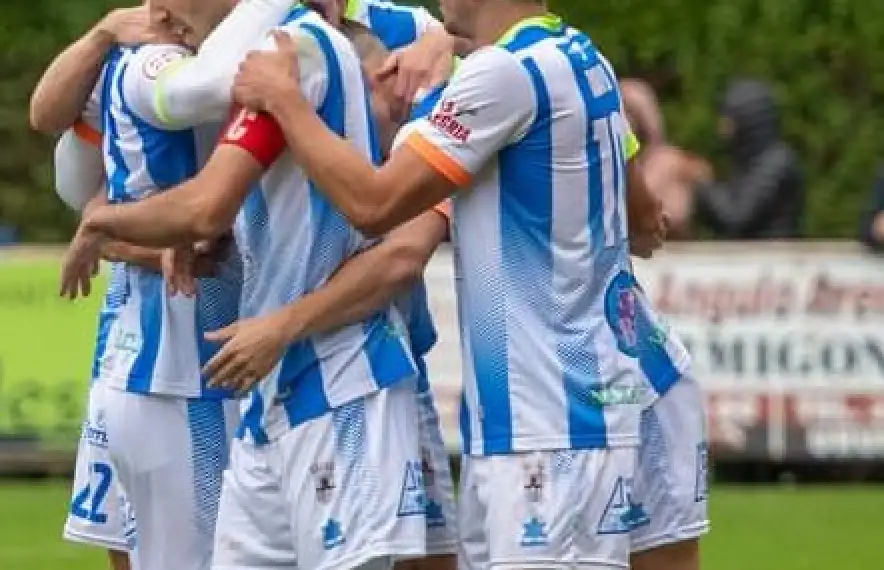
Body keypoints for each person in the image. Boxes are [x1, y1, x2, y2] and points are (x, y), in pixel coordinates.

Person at [215, 0, 667, 567]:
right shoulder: (580, 54)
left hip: (547, 429)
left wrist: (284, 100)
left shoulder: (504, 75)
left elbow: (374, 205)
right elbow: (645, 216)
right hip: (549, 415)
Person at [61, 4, 431, 569]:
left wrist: (103, 223)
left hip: (343, 379)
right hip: (274, 386)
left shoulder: (292, 53)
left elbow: (206, 205)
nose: (159, 12)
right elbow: (220, 207)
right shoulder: (276, 57)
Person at [694, 78, 804, 239]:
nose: (721, 128)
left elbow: (735, 219)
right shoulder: (748, 160)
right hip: (753, 258)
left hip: (773, 259)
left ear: (748, 119)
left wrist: (704, 185)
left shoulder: (775, 163)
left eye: (728, 119)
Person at [620, 79, 712, 240]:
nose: (627, 121)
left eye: (631, 111)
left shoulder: (672, 161)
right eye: (621, 112)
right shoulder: (607, 163)